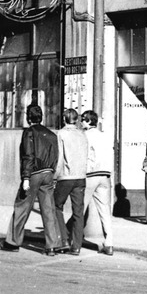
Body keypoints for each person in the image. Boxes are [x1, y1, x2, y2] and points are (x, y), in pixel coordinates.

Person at [0, 103, 64, 255]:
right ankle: (52, 245)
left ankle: (13, 242)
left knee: (22, 206)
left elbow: (28, 155)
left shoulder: (29, 132)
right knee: (49, 210)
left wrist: (26, 177)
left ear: (28, 118)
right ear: (41, 117)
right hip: (48, 173)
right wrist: (53, 175)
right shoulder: (52, 134)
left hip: (34, 173)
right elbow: (56, 157)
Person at [54, 108, 88, 255]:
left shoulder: (61, 134)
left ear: (64, 119)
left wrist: (55, 176)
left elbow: (60, 157)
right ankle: (77, 246)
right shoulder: (82, 134)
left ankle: (64, 240)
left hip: (66, 176)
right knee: (78, 212)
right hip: (80, 177)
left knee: (56, 206)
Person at [81, 110, 114, 255]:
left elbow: (86, 155)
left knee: (79, 208)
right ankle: (109, 243)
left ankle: (71, 238)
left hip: (91, 174)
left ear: (88, 121)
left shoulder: (85, 136)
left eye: (83, 119)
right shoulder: (104, 136)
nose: (81, 122)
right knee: (105, 211)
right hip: (105, 175)